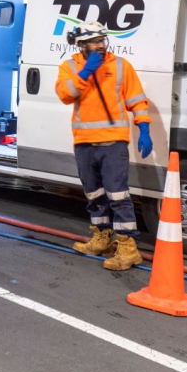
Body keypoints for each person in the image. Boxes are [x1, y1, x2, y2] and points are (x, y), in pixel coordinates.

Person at [55, 21, 154, 270]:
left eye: (102, 40)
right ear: (81, 44)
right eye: (94, 41)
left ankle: (128, 248)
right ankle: (102, 238)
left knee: (118, 195)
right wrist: (85, 73)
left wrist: (144, 127)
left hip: (113, 142)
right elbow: (65, 95)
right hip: (85, 143)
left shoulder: (120, 65)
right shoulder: (70, 67)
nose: (100, 45)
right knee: (94, 194)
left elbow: (137, 100)